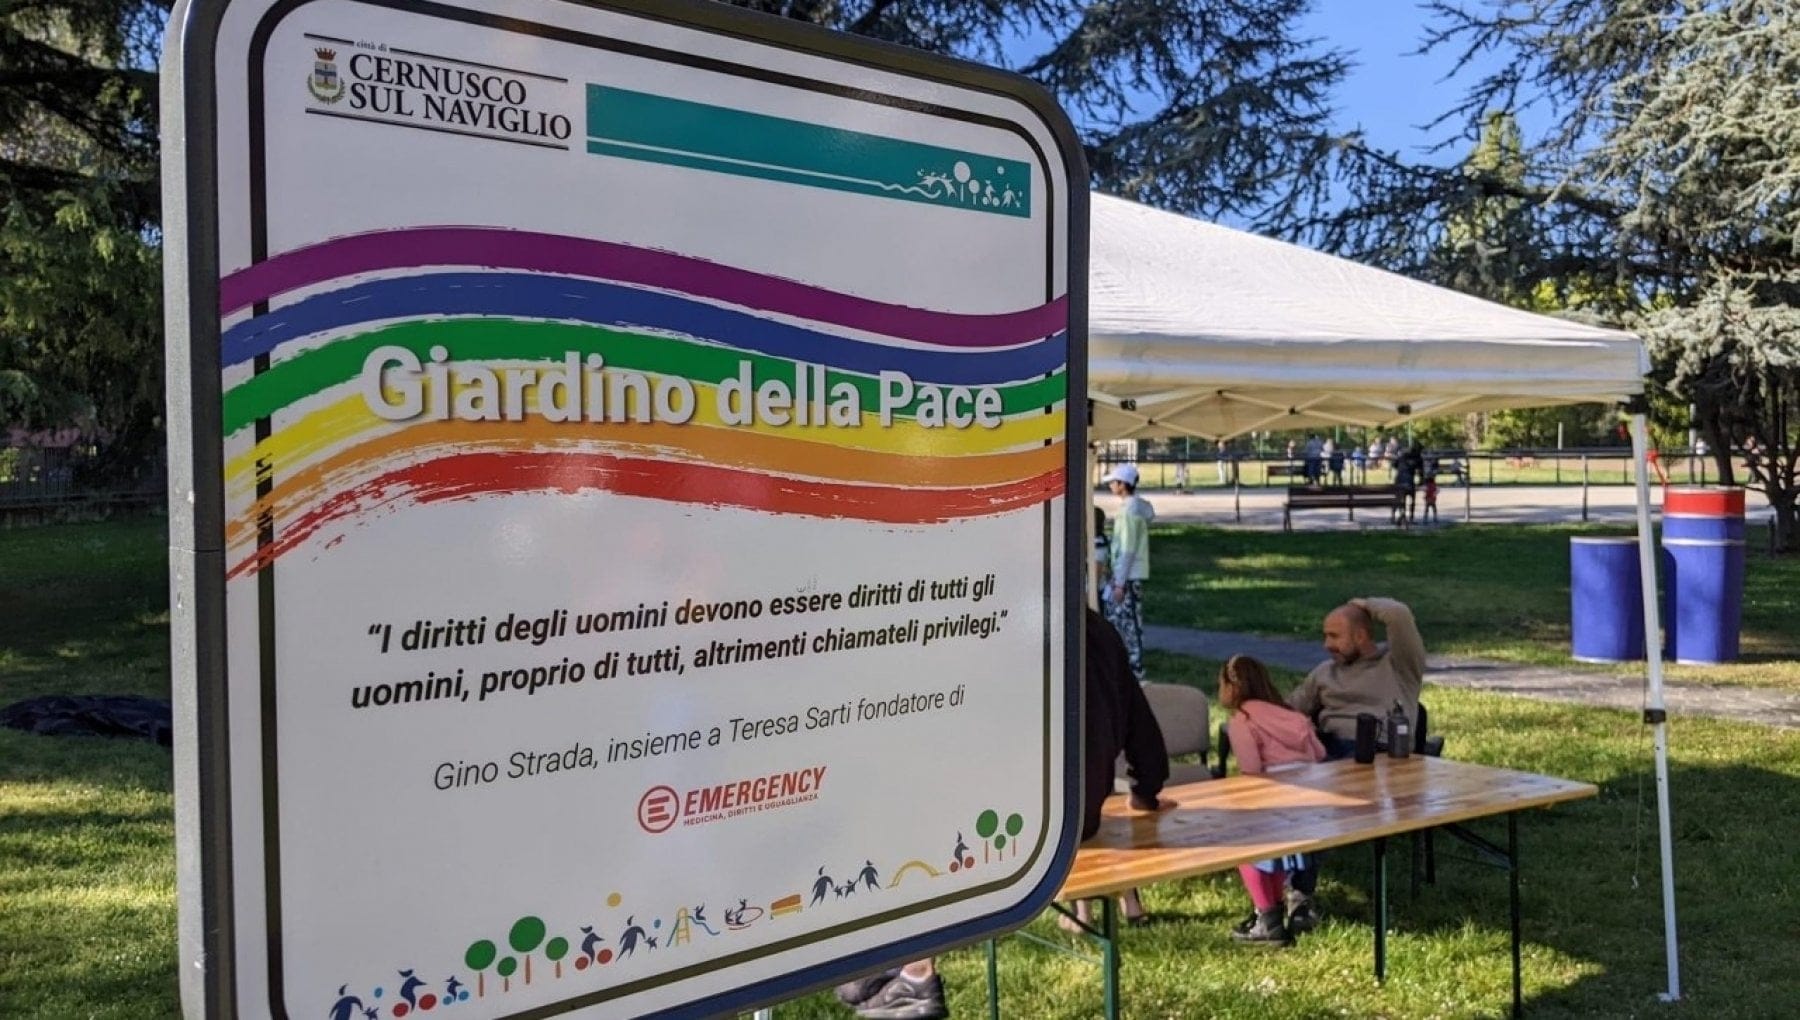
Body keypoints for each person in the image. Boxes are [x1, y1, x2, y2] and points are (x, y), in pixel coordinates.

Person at [838, 611, 1169, 1019]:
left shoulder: (1001, 628)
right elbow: (1145, 737)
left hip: (1013, 825)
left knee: (911, 818)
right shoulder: (1097, 631)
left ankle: (911, 972)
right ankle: (892, 968)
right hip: (1078, 820)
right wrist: (1144, 794)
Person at [1283, 597, 1426, 928]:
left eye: (1334, 636)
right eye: (1325, 636)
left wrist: (1362, 604)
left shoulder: (1399, 665)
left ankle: (1298, 895)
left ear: (1361, 636)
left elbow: (1399, 614)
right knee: (1287, 793)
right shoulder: (1324, 673)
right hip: (1326, 749)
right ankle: (1271, 880)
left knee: (1319, 803)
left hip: (1378, 754)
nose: (1326, 644)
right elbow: (1289, 711)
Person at [1218, 655, 1326, 945]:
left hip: (1271, 794)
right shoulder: (1293, 716)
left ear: (1232, 687)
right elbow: (1319, 753)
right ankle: (1276, 911)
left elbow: (1252, 769)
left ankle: (1267, 916)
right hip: (1307, 798)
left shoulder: (1242, 721)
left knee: (1244, 848)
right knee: (1277, 852)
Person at [1102, 464, 1154, 683]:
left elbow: (1127, 549)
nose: (1111, 486)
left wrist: (1119, 582)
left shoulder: (1129, 513)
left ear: (1123, 485)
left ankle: (1136, 669)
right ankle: (1127, 666)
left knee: (1130, 622)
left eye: (1114, 482)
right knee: (1122, 620)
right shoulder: (1134, 508)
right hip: (1126, 576)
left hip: (1128, 577)